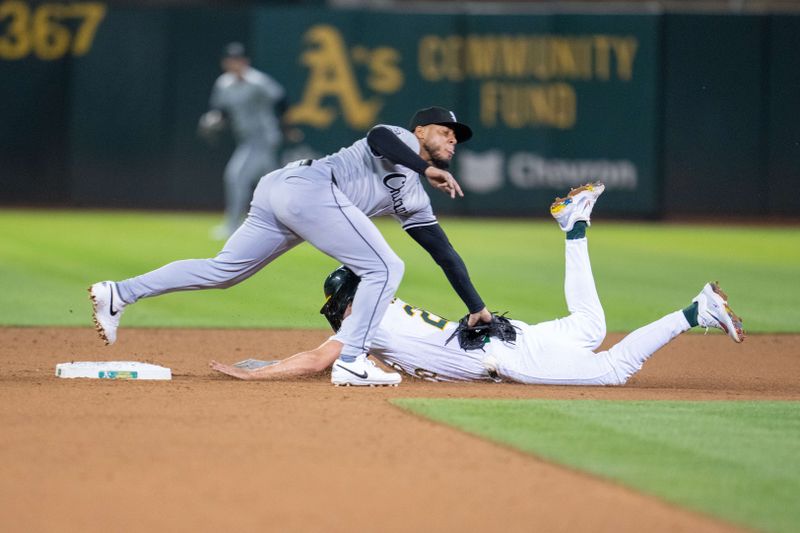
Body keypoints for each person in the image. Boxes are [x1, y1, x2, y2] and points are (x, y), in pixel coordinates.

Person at [90, 105, 494, 387]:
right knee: (385, 268)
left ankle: (119, 292)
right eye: (445, 132)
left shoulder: (414, 197)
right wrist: (426, 166)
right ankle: (352, 362)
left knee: (223, 271)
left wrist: (476, 306)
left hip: (283, 193)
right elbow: (379, 137)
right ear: (421, 132)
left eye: (457, 138)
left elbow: (443, 253)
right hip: (307, 188)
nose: (452, 140)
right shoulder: (402, 138)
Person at [209, 182, 745, 385]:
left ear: (347, 301)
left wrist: (250, 373)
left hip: (506, 358)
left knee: (612, 370)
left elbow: (317, 360)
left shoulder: (363, 323)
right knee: (590, 325)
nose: (337, 311)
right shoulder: (380, 315)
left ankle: (695, 313)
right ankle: (574, 226)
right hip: (504, 338)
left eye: (337, 302)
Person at [198, 42, 293, 240]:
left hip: (264, 139)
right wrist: (213, 120)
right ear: (225, 63)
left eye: (239, 59)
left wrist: (287, 128)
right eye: (232, 60)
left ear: (246, 61)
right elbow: (222, 112)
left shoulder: (257, 81)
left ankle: (232, 226)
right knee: (271, 184)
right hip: (246, 139)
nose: (235, 63)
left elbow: (281, 99)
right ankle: (286, 224)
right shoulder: (223, 84)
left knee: (236, 176)